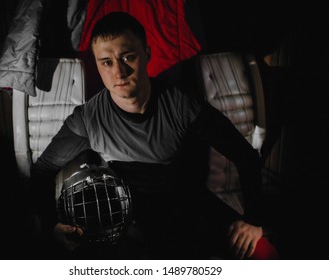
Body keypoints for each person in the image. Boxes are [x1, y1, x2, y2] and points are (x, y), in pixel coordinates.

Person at [30, 11, 270, 260]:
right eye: (106, 62)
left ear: (146, 54)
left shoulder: (181, 105)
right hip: (125, 219)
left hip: (186, 208)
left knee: (266, 255)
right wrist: (51, 225)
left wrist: (253, 219)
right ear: (97, 65)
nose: (119, 72)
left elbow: (245, 155)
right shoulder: (88, 118)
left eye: (128, 57)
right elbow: (43, 170)